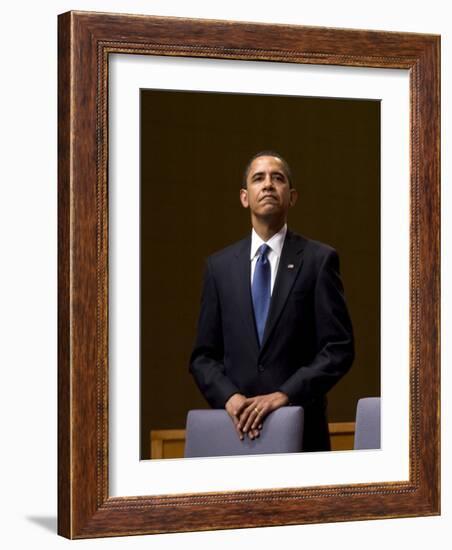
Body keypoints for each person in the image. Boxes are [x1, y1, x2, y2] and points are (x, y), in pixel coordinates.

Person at [189, 151, 354, 451]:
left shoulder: (319, 260)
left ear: (292, 197)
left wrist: (284, 394)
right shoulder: (219, 267)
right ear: (244, 197)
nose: (267, 185)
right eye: (258, 178)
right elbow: (203, 357)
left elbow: (339, 349)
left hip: (303, 431)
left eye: (277, 178)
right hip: (235, 433)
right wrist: (230, 398)